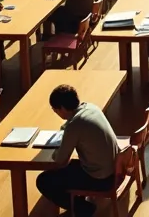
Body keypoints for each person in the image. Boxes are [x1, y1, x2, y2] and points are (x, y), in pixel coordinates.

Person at [34, 84, 119, 217]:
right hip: (114, 168)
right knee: (68, 169)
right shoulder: (91, 107)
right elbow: (70, 126)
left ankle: (83, 208)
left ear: (62, 108)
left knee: (44, 180)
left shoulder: (75, 125)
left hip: (101, 179)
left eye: (55, 109)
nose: (56, 112)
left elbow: (60, 161)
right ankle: (78, 200)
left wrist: (57, 150)